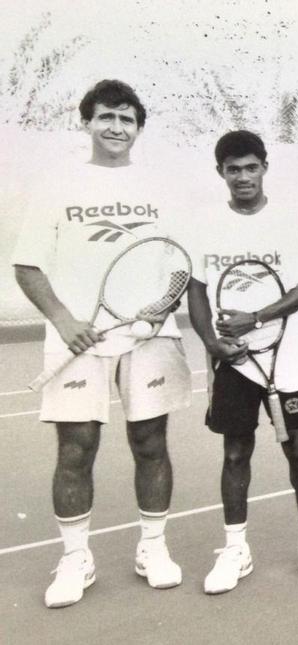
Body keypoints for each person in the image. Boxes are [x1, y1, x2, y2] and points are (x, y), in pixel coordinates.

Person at [12, 80, 190, 607]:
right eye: (107, 116)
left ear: (139, 128)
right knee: (76, 448)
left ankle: (153, 548)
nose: (116, 127)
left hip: (148, 337)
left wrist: (164, 306)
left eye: (126, 119)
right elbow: (27, 265)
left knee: (150, 443)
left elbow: (181, 264)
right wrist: (64, 320)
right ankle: (75, 559)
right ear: (87, 122)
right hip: (77, 338)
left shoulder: (162, 188)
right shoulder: (57, 185)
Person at [186, 130, 298, 593]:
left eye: (251, 167)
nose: (243, 177)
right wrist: (212, 342)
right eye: (233, 169)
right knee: (235, 453)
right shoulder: (204, 225)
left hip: (287, 359)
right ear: (220, 173)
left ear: (264, 168)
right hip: (232, 363)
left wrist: (255, 318)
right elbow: (197, 292)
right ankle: (235, 548)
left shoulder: (293, 222)